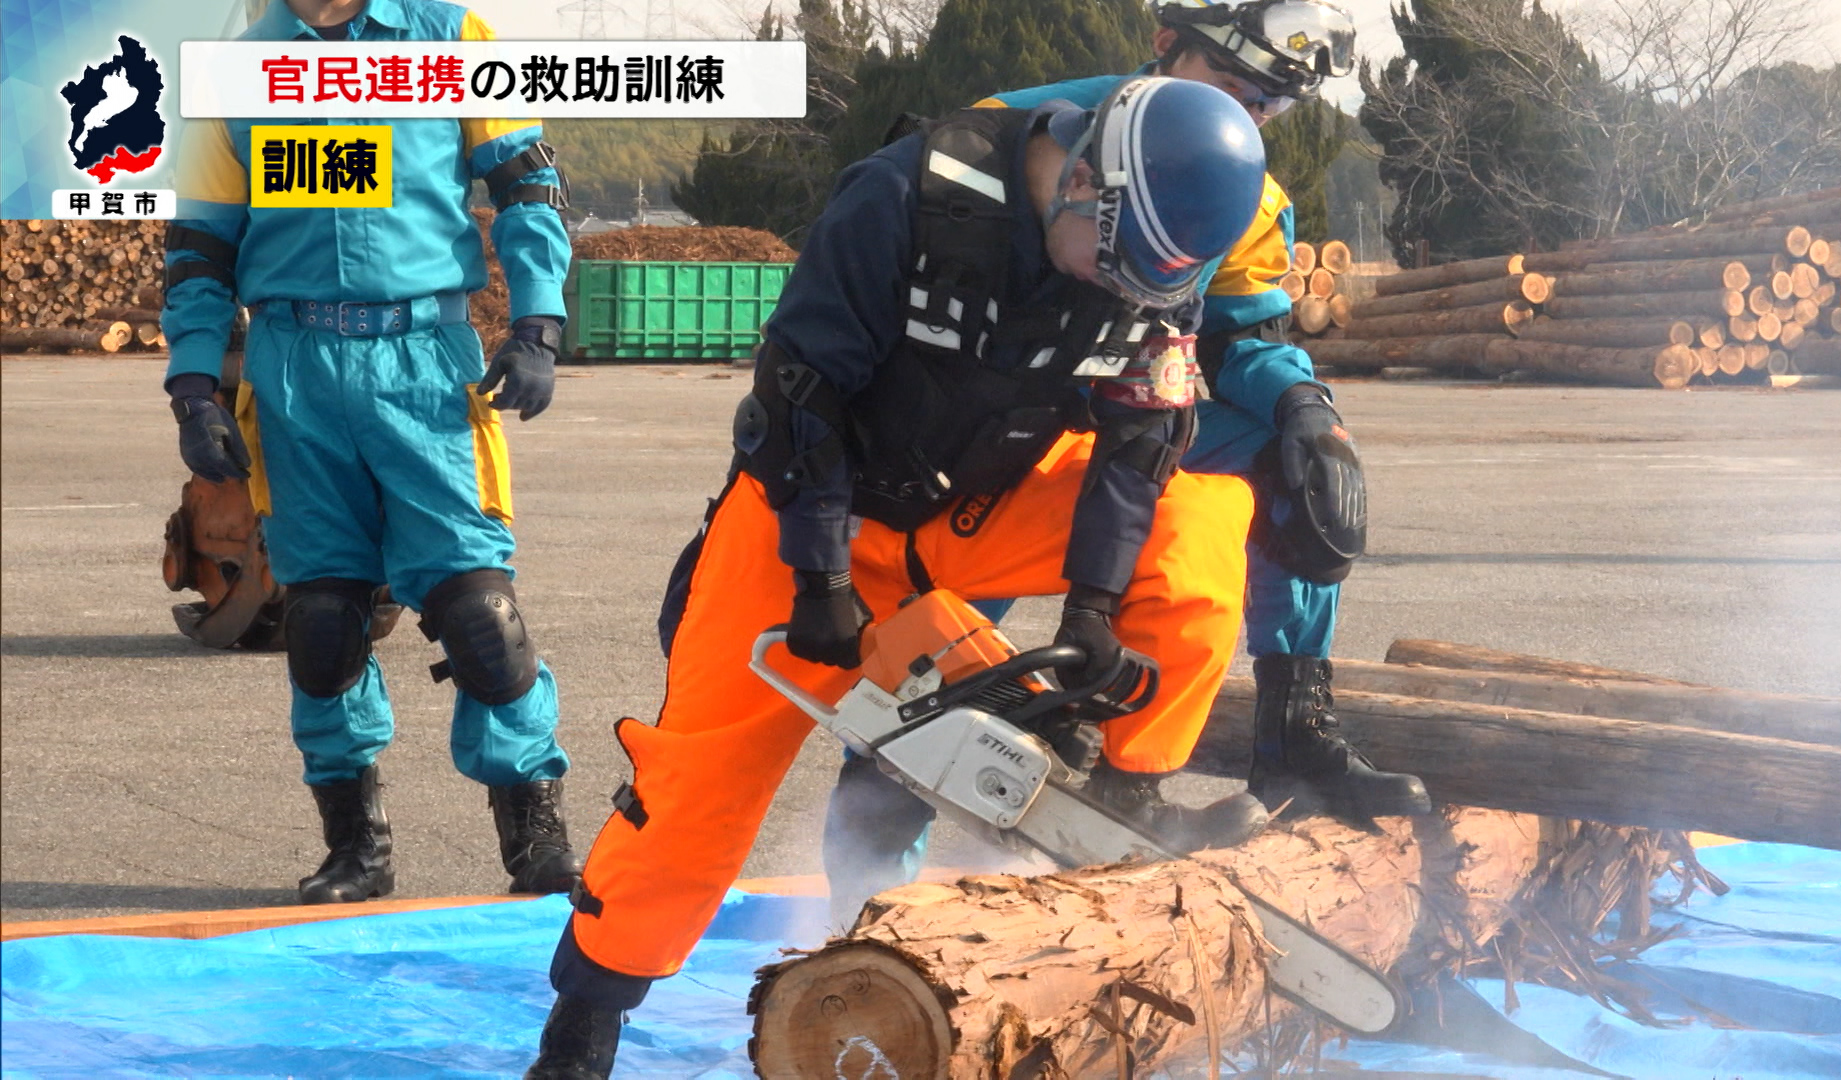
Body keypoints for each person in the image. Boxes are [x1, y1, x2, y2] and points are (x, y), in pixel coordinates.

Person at [523, 76, 1270, 1077]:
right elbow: (800, 397)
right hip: (815, 500)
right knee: (701, 779)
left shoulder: (1157, 267)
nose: (1123, 293)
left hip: (983, 504)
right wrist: (820, 574)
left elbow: (1139, 440)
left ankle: (1134, 793)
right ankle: (587, 1017)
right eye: (1115, 264)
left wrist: (1094, 606)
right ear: (1084, 182)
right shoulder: (905, 196)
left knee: (1203, 516)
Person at [821, 0, 1431, 930]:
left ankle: (1277, 741)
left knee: (1290, 468)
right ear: (1165, 45)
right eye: (1232, 85)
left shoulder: (1243, 190)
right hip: (967, 430)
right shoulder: (1000, 141)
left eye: (1271, 106)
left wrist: (1306, 411)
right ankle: (863, 887)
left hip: (1126, 414)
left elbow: (1240, 338)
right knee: (928, 660)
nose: (1248, 117)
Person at [160, 0, 584, 905]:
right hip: (294, 373)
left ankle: (536, 838)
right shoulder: (234, 71)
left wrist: (538, 320)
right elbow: (199, 244)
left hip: (427, 361)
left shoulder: (452, 39)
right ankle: (356, 847)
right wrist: (193, 386)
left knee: (481, 615)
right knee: (321, 621)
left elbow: (524, 183)